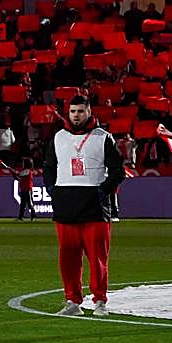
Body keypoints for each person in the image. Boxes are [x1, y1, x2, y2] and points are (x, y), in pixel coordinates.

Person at [44, 95, 126, 316]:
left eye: (80, 111)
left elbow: (118, 171)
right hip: (66, 206)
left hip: (94, 207)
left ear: (89, 112)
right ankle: (72, 302)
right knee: (68, 258)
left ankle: (100, 302)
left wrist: (102, 190)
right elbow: (48, 166)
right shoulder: (59, 137)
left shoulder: (103, 137)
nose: (76, 115)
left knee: (98, 258)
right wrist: (52, 189)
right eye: (73, 111)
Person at [14, 156, 36, 221]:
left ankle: (33, 216)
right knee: (22, 204)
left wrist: (11, 170)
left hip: (28, 190)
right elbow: (19, 178)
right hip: (23, 190)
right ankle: (20, 217)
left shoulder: (28, 171)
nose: (22, 164)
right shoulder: (25, 171)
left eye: (23, 163)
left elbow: (19, 175)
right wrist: (13, 174)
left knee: (30, 204)